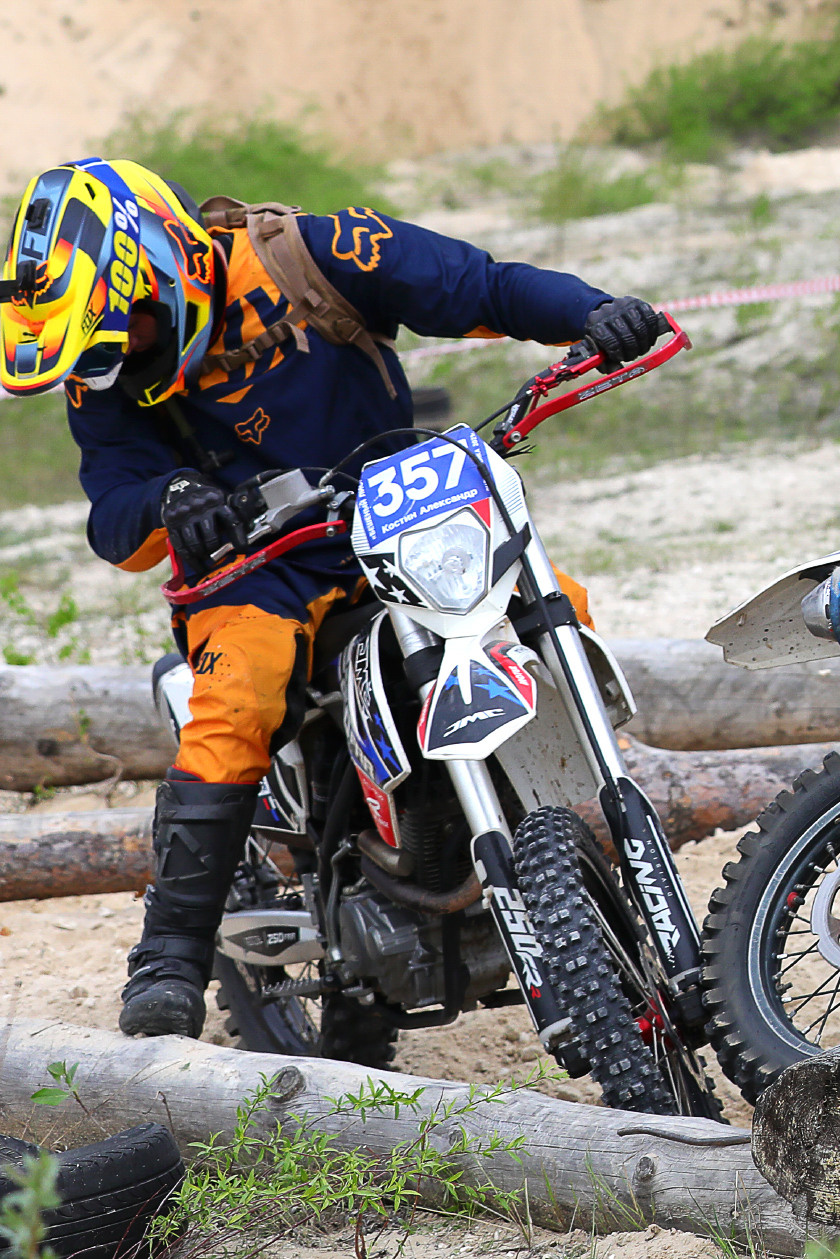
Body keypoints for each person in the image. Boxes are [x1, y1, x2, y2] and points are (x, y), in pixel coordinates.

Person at [1, 160, 669, 1039]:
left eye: (126, 328)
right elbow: (114, 511)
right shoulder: (103, 374)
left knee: (554, 610)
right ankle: (168, 959)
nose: (119, 352)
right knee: (235, 696)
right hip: (259, 564)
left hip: (403, 510)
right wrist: (172, 502)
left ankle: (596, 848)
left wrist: (588, 311)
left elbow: (479, 285)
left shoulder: (307, 250)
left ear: (160, 265)